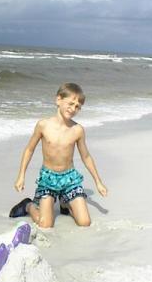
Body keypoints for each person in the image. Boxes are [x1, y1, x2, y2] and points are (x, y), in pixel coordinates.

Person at [9, 83, 107, 228]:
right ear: (58, 100)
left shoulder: (77, 130)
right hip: (48, 179)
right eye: (71, 103)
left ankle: (65, 204)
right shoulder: (43, 125)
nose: (73, 109)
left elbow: (86, 157)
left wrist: (98, 182)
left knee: (85, 222)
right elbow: (29, 149)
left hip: (70, 179)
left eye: (78, 107)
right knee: (45, 225)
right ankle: (28, 205)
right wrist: (21, 175)